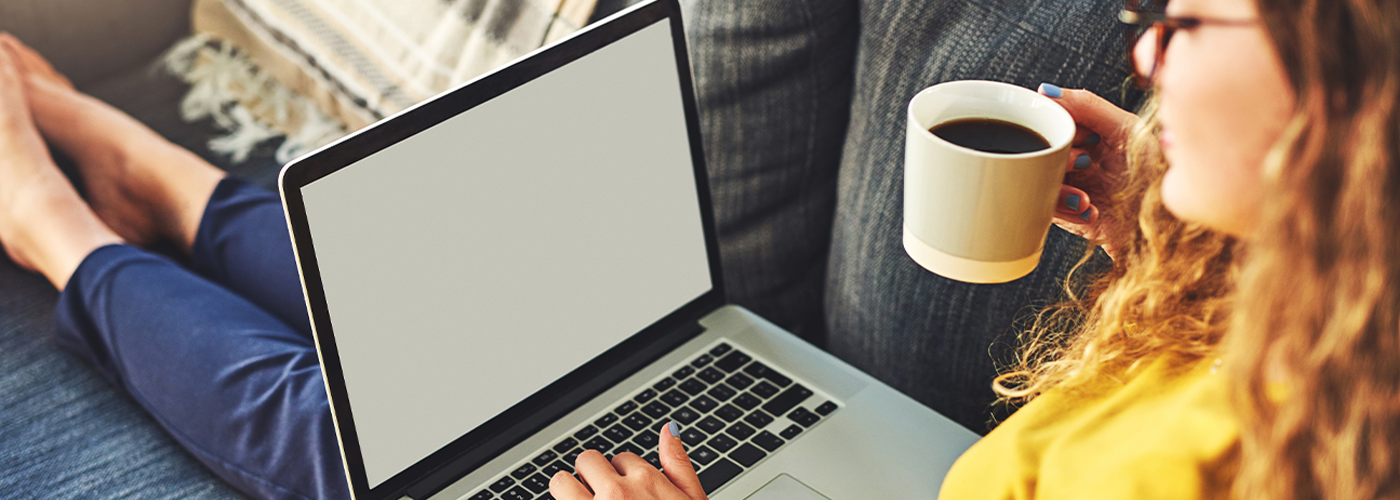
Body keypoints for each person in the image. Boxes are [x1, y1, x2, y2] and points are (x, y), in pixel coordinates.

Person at [545, 0, 1400, 498]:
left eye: (1190, 23)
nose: (1143, 54)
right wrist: (1176, 247)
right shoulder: (1315, 321)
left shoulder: (1218, 463)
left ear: (1357, 81)